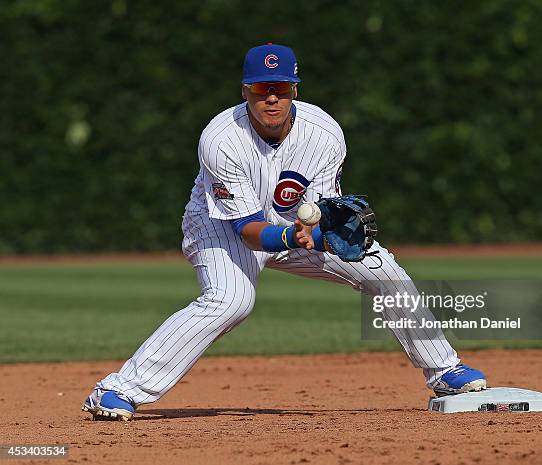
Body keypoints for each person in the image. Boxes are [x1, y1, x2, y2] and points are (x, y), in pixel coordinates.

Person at [82, 44, 486, 421]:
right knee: (231, 300)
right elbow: (248, 230)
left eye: (280, 89)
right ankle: (118, 389)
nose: (271, 98)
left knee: (384, 271)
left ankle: (444, 370)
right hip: (220, 227)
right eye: (261, 89)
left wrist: (323, 229)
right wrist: (295, 237)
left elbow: (325, 209)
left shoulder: (324, 134)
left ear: (294, 89)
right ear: (246, 91)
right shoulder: (221, 139)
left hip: (296, 228)